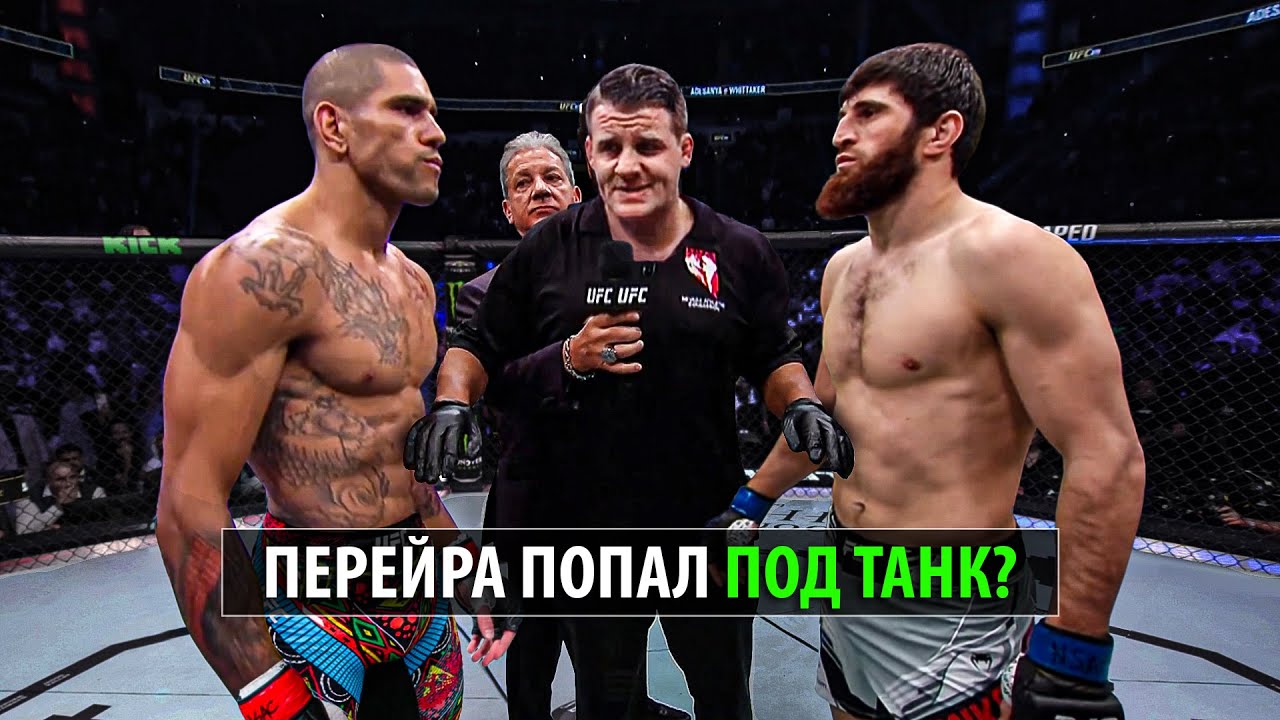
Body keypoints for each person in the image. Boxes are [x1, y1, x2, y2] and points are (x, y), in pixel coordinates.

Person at [405, 63, 852, 720]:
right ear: (589, 153)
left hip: (705, 527)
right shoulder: (548, 248)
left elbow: (773, 356)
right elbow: (477, 343)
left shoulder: (737, 249)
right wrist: (452, 401)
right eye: (611, 147)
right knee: (607, 702)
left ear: (684, 149)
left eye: (647, 145)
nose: (628, 165)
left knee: (725, 697)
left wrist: (802, 401)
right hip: (592, 535)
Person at [749, 42, 1146, 719]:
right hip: (847, 569)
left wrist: (1075, 649)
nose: (841, 133)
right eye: (842, 114)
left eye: (869, 113)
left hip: (954, 589)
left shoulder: (1010, 255)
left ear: (942, 131)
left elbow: (1106, 453)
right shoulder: (846, 269)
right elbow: (827, 419)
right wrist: (752, 499)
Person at [156, 44, 516, 720]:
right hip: (314, 601)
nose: (435, 132)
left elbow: (405, 469)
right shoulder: (258, 271)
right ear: (334, 126)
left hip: (420, 596)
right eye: (406, 110)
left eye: (433, 114)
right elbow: (187, 502)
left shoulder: (411, 282)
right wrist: (266, 692)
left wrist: (469, 574)